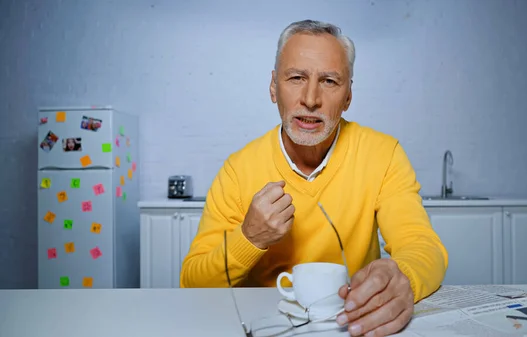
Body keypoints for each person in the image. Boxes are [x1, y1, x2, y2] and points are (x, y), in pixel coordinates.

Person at [180, 19, 448, 336]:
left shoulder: (383, 154)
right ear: (272, 87)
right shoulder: (238, 170)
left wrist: (402, 277)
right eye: (296, 78)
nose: (310, 99)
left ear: (348, 95)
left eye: (330, 82)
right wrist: (249, 239)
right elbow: (192, 282)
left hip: (351, 324)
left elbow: (422, 247)